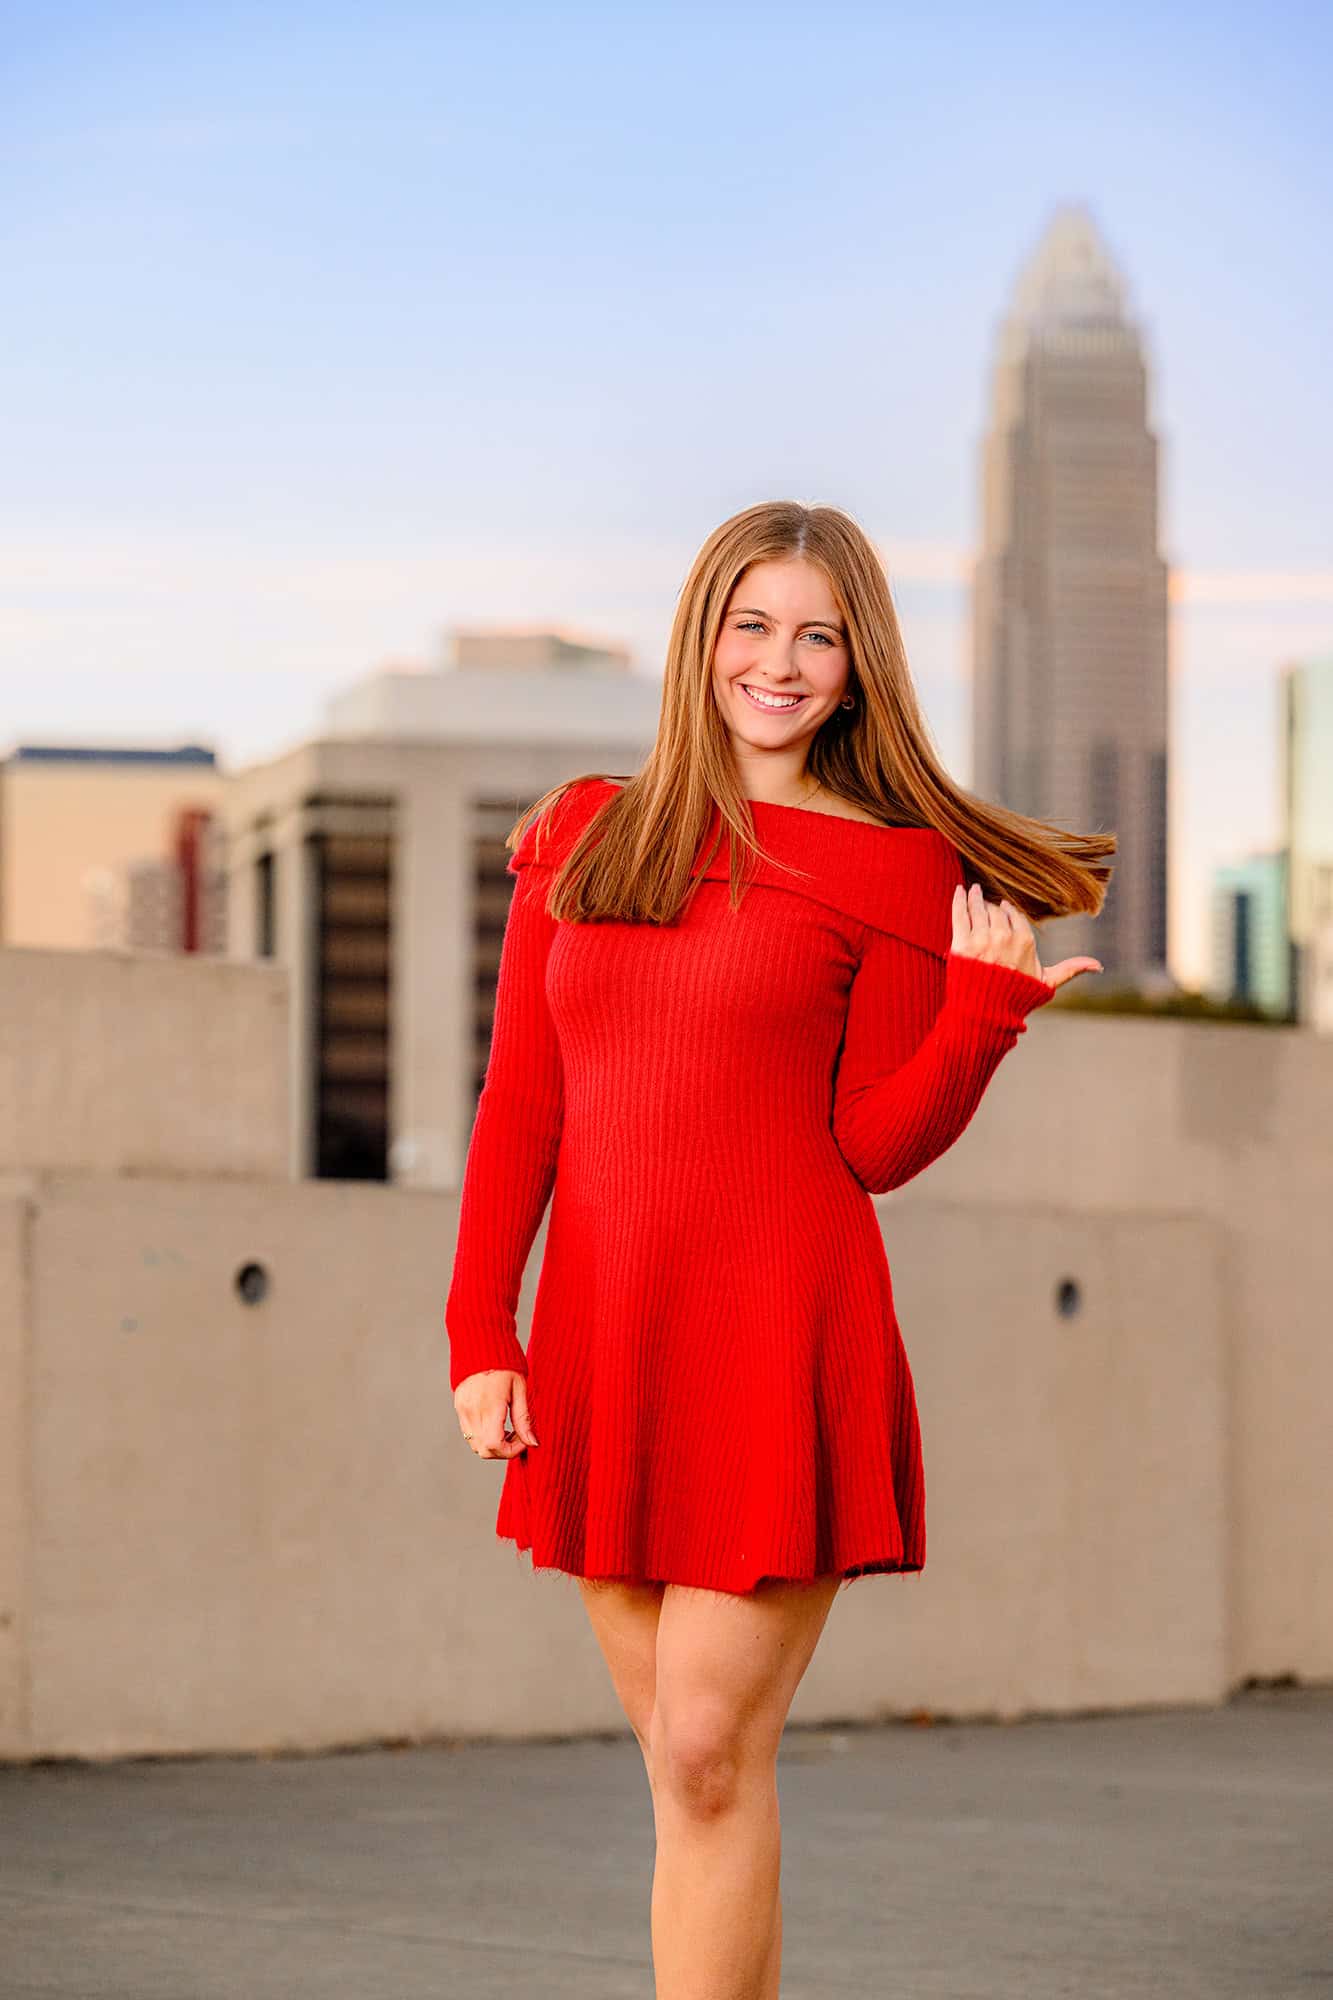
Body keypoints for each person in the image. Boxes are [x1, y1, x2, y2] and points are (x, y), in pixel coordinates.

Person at [445, 499, 1113, 1998]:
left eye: (817, 635)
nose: (781, 661)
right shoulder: (583, 831)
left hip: (773, 1337)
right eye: (753, 624)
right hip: (603, 1341)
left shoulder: (890, 869)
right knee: (684, 1777)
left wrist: (980, 1018)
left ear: (856, 667)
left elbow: (871, 1146)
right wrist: (480, 1331)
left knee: (701, 1757)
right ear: (703, 638)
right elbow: (520, 1106)